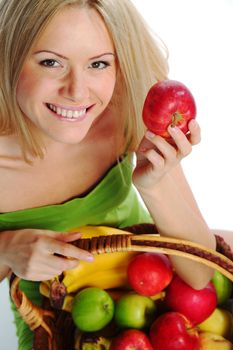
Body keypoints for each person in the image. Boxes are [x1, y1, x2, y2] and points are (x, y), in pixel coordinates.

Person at [0, 0, 229, 349]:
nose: (77, 91)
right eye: (51, 62)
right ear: (9, 57)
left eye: (98, 64)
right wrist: (7, 250)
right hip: (59, 323)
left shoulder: (122, 109)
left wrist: (153, 185)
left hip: (157, 286)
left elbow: (198, 274)